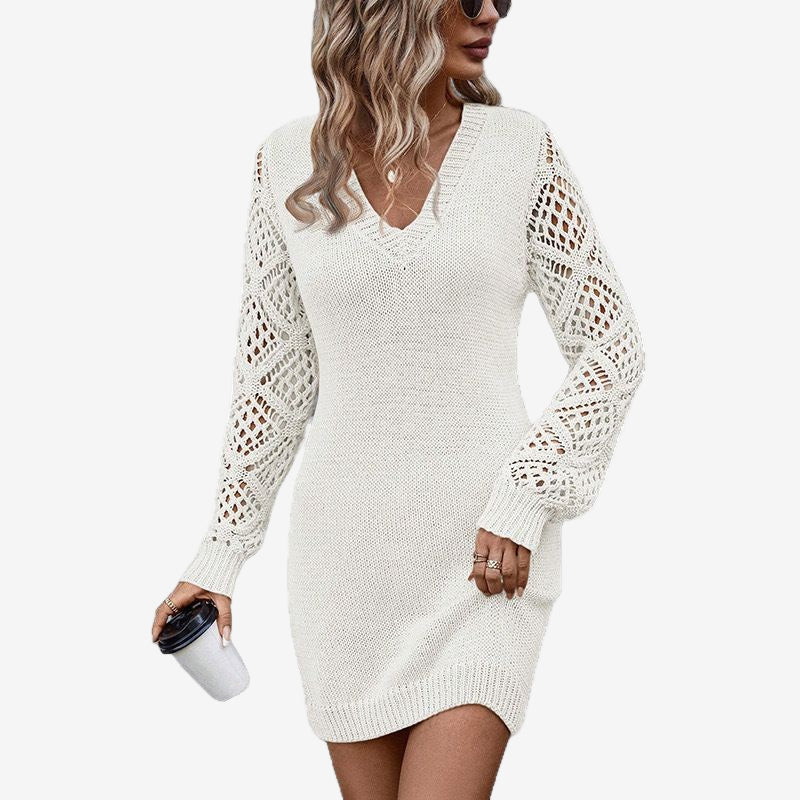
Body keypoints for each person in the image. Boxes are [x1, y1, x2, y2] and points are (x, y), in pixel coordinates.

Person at [151, 1, 646, 796]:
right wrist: (220, 555)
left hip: (488, 560)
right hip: (346, 571)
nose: (492, 13)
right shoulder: (286, 162)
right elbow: (271, 385)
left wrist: (526, 496)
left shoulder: (520, 149)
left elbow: (611, 347)